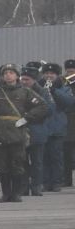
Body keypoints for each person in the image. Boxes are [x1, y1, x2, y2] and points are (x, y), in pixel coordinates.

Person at [0, 64, 44, 203]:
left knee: (17, 164)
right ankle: (6, 193)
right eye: (5, 73)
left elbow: (42, 106)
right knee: (2, 165)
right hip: (0, 133)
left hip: (17, 132)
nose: (8, 75)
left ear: (17, 75)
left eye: (11, 72)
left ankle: (16, 193)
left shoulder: (25, 91)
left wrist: (27, 118)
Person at [36, 61, 70, 194]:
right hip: (42, 126)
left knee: (56, 157)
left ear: (57, 75)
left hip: (57, 126)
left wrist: (54, 91)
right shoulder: (38, 87)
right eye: (46, 73)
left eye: (52, 73)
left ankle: (56, 182)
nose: (49, 76)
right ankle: (45, 182)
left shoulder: (63, 87)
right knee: (43, 157)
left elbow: (68, 102)